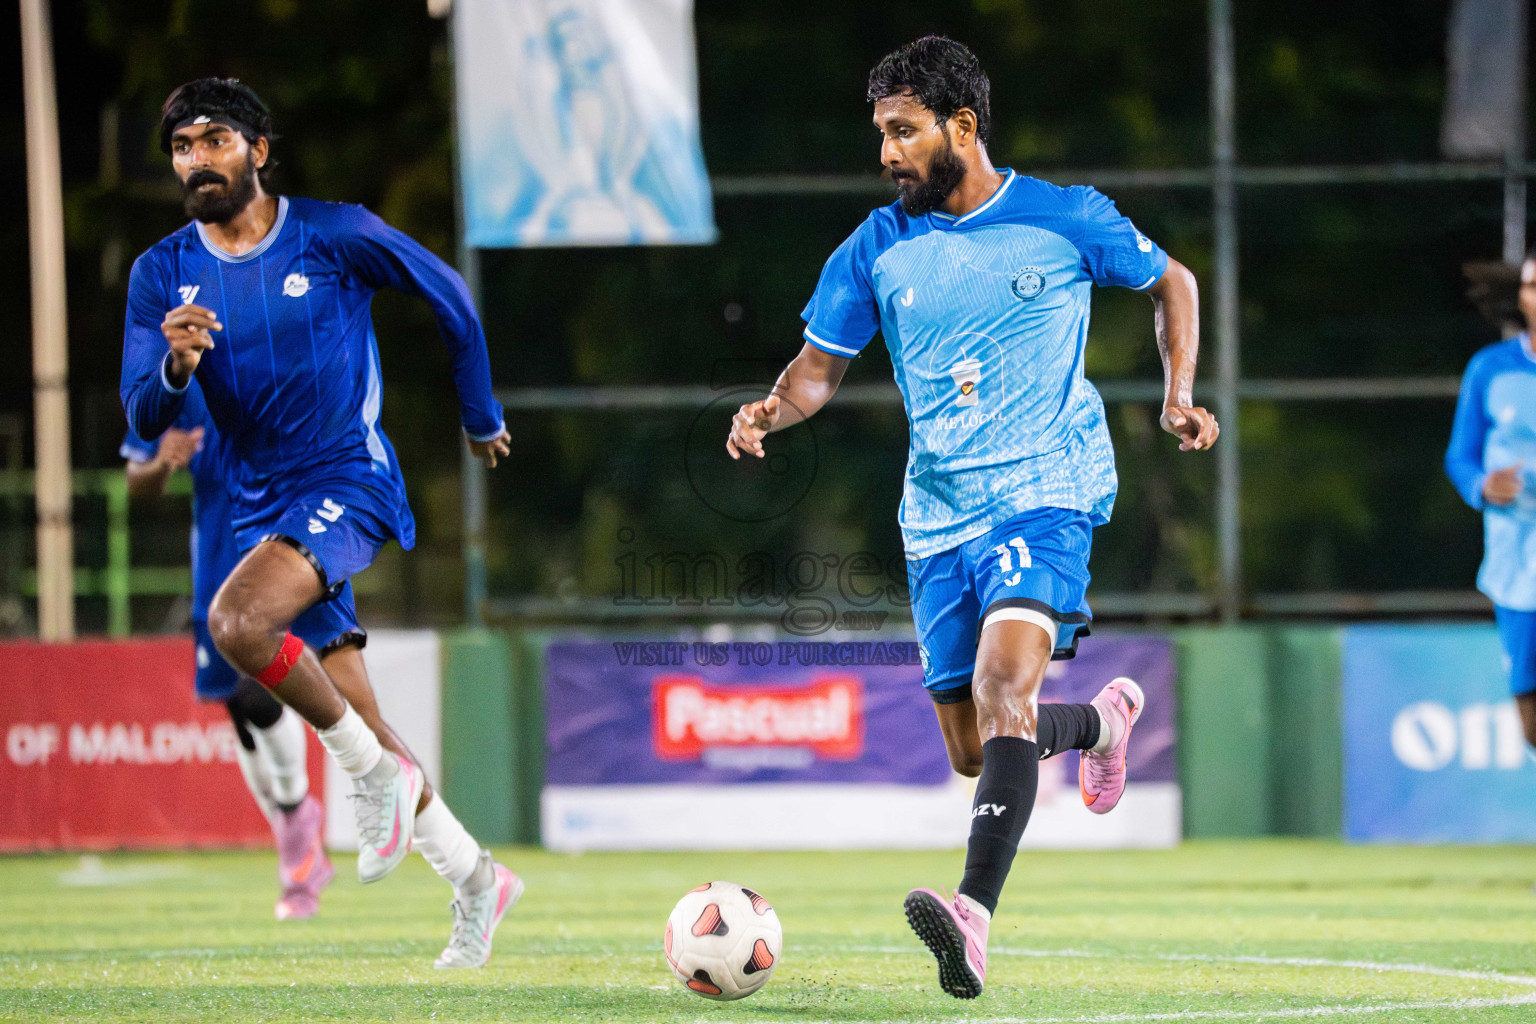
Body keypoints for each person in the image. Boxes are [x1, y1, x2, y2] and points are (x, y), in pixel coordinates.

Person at [725, 37, 1217, 999]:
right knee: (973, 745)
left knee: (1002, 686)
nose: (888, 154)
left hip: (1048, 488)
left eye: (904, 132)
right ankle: (1103, 724)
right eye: (881, 135)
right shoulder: (876, 246)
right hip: (938, 516)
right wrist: (767, 410)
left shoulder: (1066, 217)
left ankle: (972, 916)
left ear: (962, 127)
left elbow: (1175, 283)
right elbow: (817, 372)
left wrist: (1178, 392)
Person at [119, 78, 519, 968]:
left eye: (215, 139)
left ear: (260, 149)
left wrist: (480, 413)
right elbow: (142, 418)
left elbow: (450, 296)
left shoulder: (332, 233)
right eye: (182, 146)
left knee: (236, 622)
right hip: (261, 506)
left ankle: (372, 783)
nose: (196, 159)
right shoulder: (160, 275)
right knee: (362, 714)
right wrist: (177, 367)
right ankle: (475, 879)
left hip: (348, 477)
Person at [123, 381, 351, 920]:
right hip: (213, 576)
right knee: (238, 712)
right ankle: (299, 854)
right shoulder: (165, 385)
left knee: (257, 695)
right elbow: (137, 482)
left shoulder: (274, 357)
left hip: (275, 567)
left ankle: (298, 820)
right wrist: (162, 464)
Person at [1445, 250, 1536, 755]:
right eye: (1533, 285)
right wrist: (1482, 486)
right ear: (1520, 296)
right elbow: (1461, 458)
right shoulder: (1491, 370)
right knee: (1530, 719)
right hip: (1517, 562)